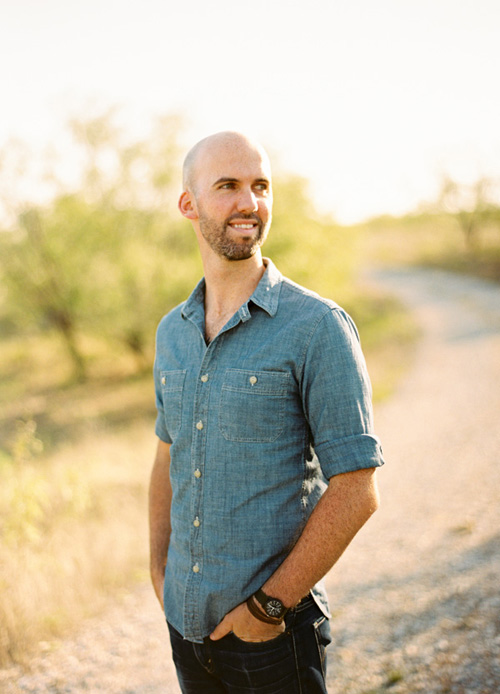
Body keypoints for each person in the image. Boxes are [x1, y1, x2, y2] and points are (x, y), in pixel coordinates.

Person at [149, 131, 385, 693]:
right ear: (189, 204)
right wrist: (160, 574)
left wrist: (267, 609)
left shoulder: (316, 327)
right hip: (186, 629)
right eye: (227, 186)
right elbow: (167, 454)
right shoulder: (172, 333)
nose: (248, 203)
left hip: (273, 638)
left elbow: (357, 488)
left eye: (260, 186)